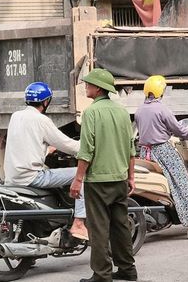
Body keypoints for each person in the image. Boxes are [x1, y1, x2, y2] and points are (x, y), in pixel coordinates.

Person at [71, 69, 137, 282]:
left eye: (88, 84)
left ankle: (102, 274)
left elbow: (86, 150)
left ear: (98, 88)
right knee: (120, 226)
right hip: (119, 179)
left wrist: (78, 178)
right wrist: (131, 177)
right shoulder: (122, 112)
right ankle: (128, 270)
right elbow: (130, 149)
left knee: (99, 228)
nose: (86, 87)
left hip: (98, 181)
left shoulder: (91, 113)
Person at [4, 82, 88, 240]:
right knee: (82, 176)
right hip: (33, 177)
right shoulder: (41, 120)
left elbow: (25, 142)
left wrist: (46, 149)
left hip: (12, 177)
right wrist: (89, 148)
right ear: (46, 101)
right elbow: (68, 145)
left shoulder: (16, 116)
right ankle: (79, 222)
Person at [134, 75, 188, 239]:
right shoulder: (162, 109)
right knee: (183, 184)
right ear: (161, 91)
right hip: (163, 151)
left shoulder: (139, 110)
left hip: (145, 153)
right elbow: (181, 131)